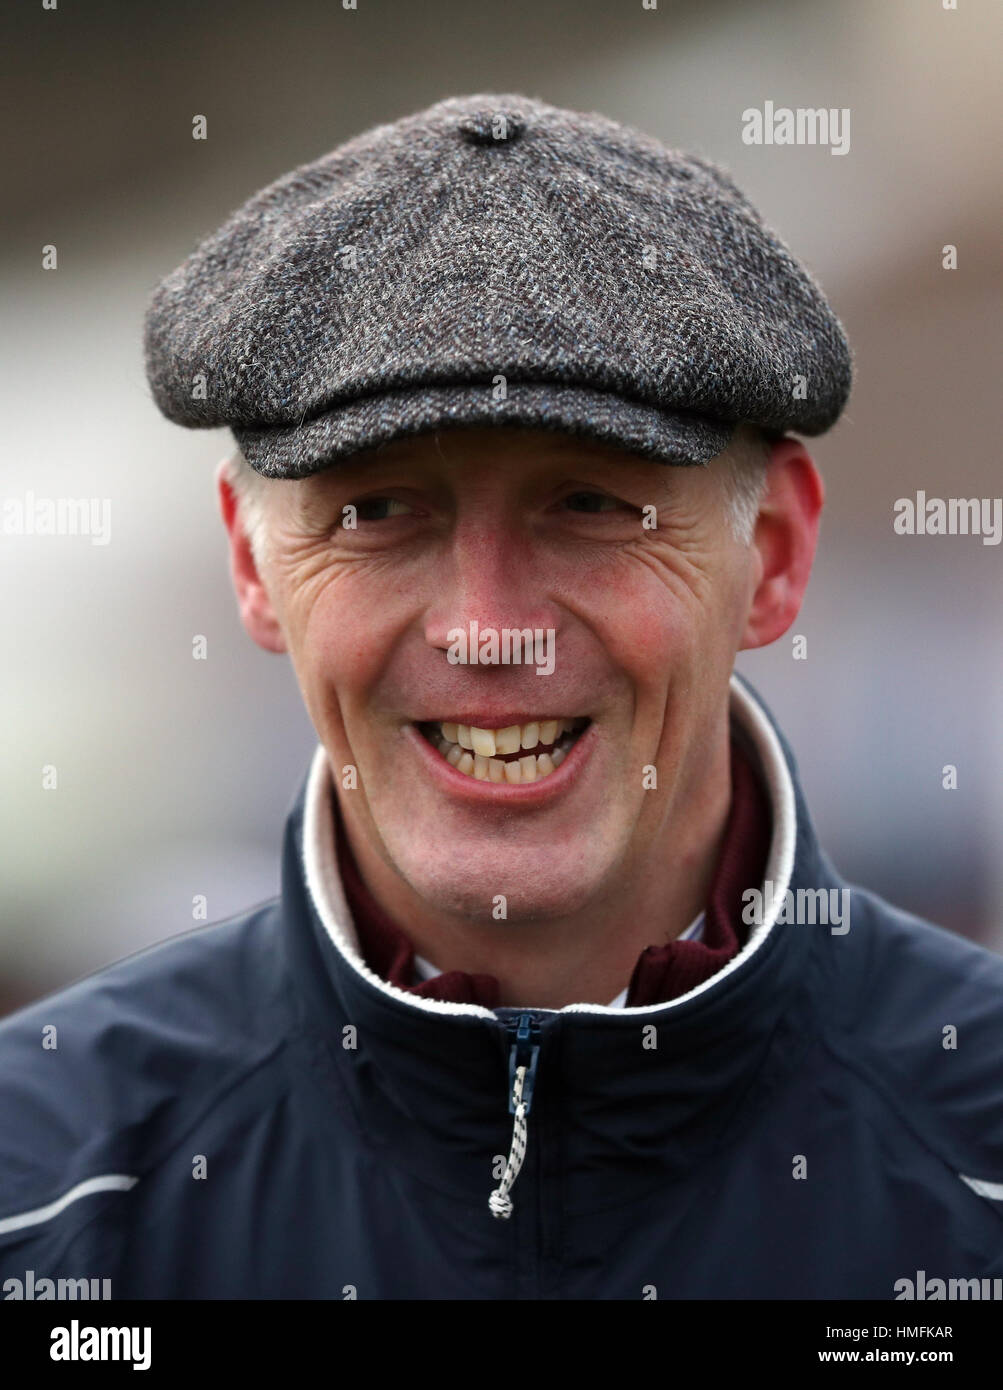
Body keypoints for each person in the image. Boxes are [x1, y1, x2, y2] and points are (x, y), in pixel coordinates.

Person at [2, 93, 1001, 1302]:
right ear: (253, 566)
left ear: (775, 555)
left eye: (589, 503)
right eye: (377, 513)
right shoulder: (41, 1191)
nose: (486, 627)